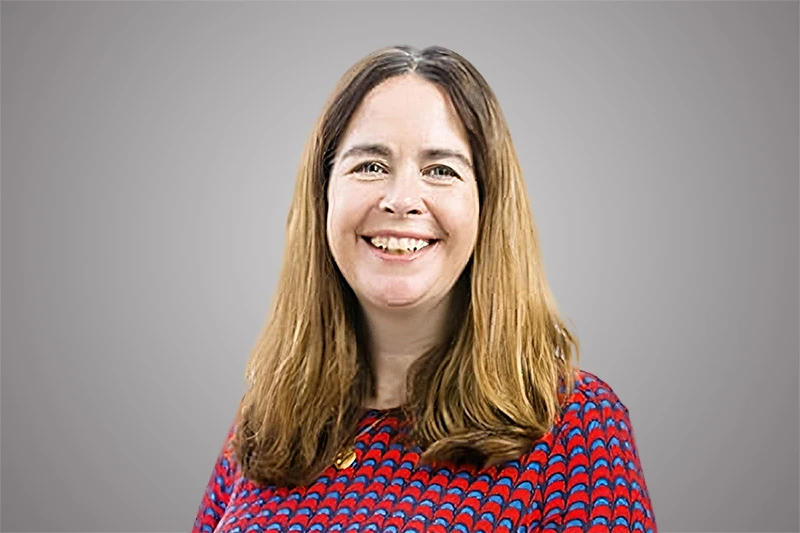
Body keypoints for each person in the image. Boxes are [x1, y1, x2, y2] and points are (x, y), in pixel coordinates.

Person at [191, 44, 657, 533]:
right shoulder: (265, 423)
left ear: (487, 207)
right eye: (369, 165)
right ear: (323, 195)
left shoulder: (575, 425)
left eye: (441, 170)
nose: (401, 200)